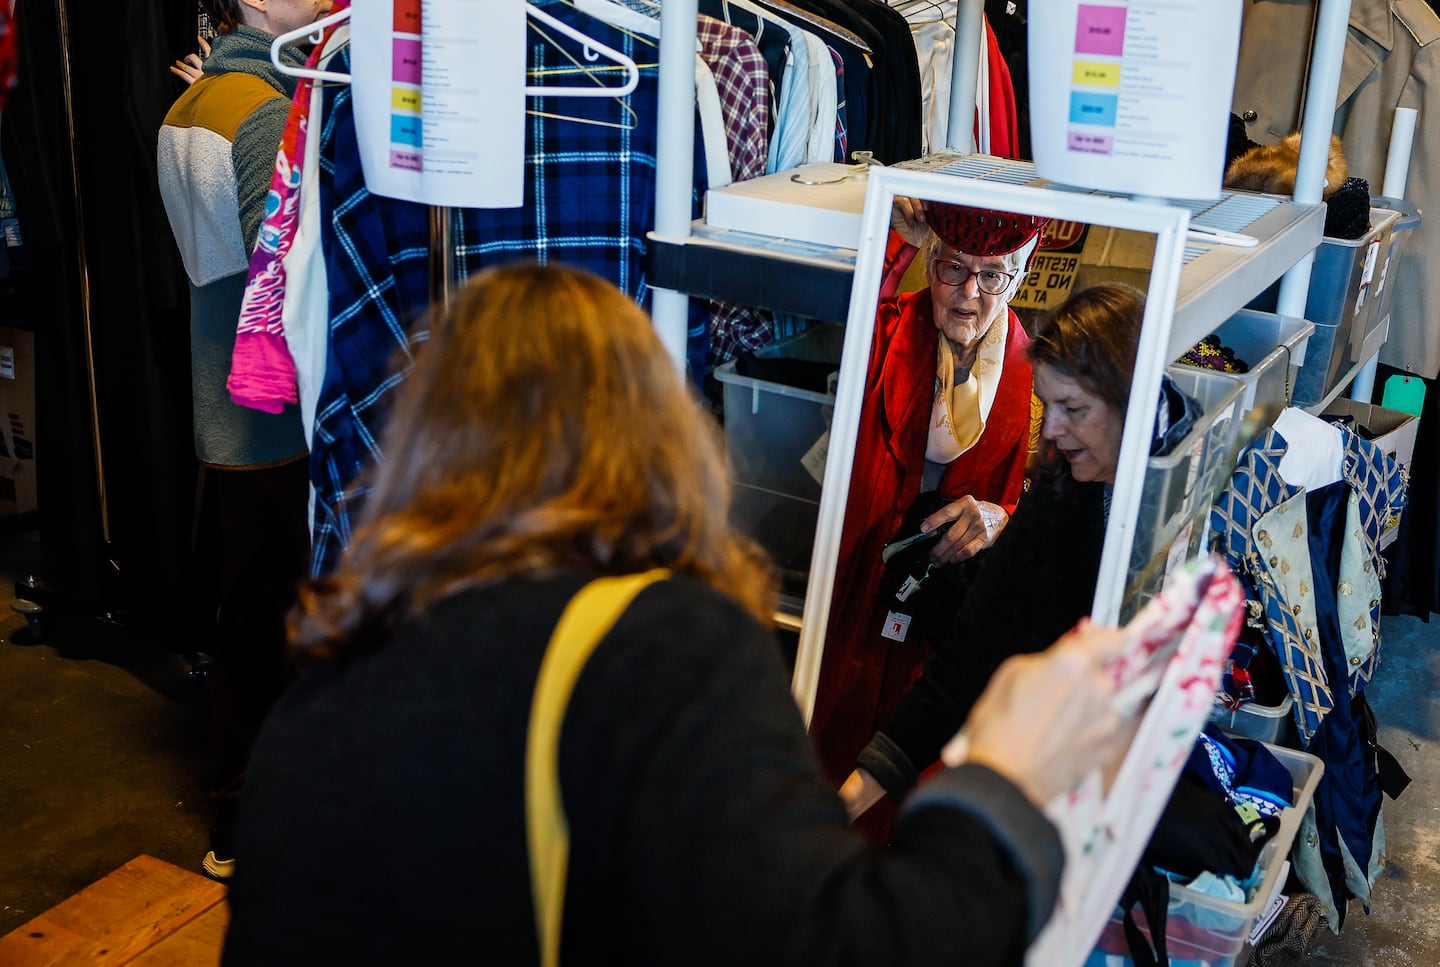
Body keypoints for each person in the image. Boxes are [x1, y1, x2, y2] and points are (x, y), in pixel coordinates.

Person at [222, 263, 1134, 966]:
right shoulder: (659, 642)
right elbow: (853, 945)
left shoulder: (327, 684)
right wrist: (1008, 786)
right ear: (656, 435)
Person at [842, 281, 1199, 821]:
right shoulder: (1065, 489)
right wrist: (849, 799)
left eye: (1073, 409)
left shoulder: (1201, 473)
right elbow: (974, 649)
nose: (1051, 431)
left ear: (1135, 398)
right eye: (1046, 406)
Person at [157, 0, 331, 880]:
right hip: (271, 408)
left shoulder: (192, 102)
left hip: (216, 397)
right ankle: (258, 826)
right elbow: (287, 277)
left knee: (247, 610)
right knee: (279, 616)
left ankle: (237, 815)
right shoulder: (264, 110)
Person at [809, 199, 1047, 789]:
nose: (970, 293)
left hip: (950, 608)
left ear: (1016, 276)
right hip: (858, 576)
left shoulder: (1037, 375)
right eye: (953, 269)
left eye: (992, 275)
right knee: (834, 726)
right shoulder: (889, 327)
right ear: (932, 265)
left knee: (923, 744)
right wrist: (900, 241)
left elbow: (1060, 501)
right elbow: (856, 301)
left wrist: (1004, 515)